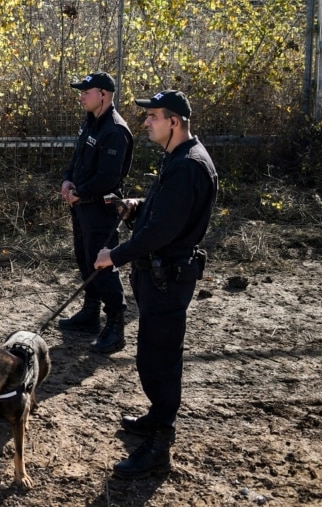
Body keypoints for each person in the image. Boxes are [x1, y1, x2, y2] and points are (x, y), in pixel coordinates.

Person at [92, 89, 217, 479]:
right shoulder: (179, 158)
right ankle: (156, 417)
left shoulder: (188, 166)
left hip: (168, 276)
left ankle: (160, 445)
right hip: (162, 275)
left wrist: (114, 255)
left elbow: (163, 231)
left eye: (153, 117)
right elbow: (166, 213)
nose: (146, 122)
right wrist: (138, 206)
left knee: (158, 360)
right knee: (154, 354)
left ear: (174, 122)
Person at [58, 71, 134, 353]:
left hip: (100, 210)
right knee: (85, 258)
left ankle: (115, 326)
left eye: (86, 92)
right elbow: (77, 159)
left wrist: (80, 192)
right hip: (81, 207)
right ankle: (91, 313)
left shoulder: (115, 130)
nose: (81, 96)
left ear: (103, 94)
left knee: (103, 264)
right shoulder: (91, 123)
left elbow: (108, 178)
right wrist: (67, 180)